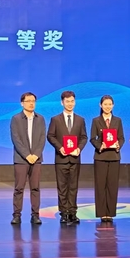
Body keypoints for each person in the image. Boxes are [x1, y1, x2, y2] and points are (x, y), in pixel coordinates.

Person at [47, 91, 88, 223]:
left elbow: (84, 137)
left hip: (75, 158)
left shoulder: (80, 120)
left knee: (73, 186)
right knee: (62, 187)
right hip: (61, 158)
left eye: (72, 101)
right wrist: (60, 148)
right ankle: (64, 213)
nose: (70, 104)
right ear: (62, 102)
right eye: (67, 101)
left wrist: (78, 149)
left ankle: (72, 212)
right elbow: (50, 136)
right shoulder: (55, 119)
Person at [9, 92, 47, 225]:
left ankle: (35, 215)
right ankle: (17, 215)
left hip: (36, 159)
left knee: (35, 188)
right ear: (22, 103)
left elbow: (42, 138)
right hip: (21, 159)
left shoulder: (40, 119)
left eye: (33, 101)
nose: (31, 103)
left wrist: (36, 154)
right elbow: (16, 139)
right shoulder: (16, 119)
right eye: (28, 101)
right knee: (19, 188)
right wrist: (27, 155)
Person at [90, 95, 125, 222]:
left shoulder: (118, 121)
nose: (107, 106)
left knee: (112, 185)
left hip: (114, 156)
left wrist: (118, 145)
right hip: (100, 156)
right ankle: (101, 213)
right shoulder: (96, 121)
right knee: (100, 185)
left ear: (113, 105)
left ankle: (110, 213)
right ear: (100, 105)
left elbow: (121, 138)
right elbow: (92, 138)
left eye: (110, 104)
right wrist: (101, 146)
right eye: (105, 104)